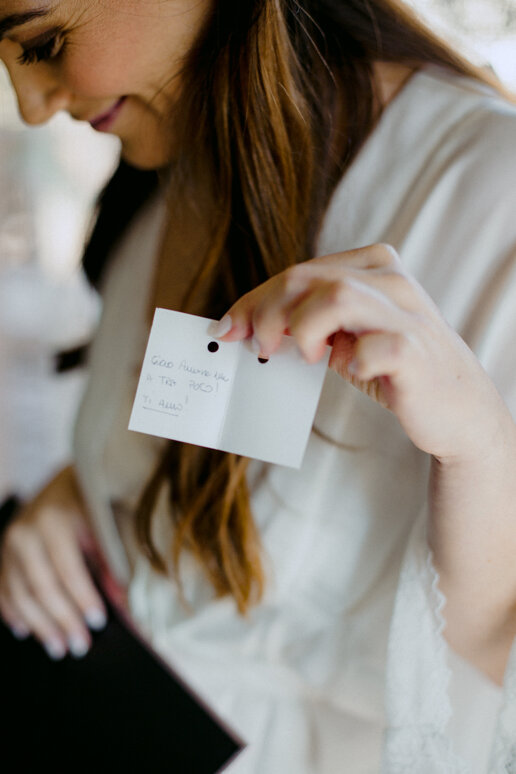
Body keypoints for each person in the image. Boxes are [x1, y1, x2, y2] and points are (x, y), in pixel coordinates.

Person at [0, 1, 515, 771]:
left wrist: (481, 448)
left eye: (44, 44)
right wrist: (79, 503)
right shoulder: (172, 172)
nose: (32, 107)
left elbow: (494, 675)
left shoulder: (493, 199)